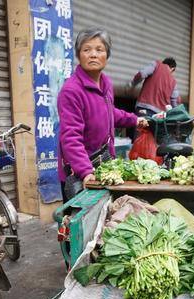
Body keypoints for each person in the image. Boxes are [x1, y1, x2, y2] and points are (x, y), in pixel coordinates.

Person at [57, 28, 147, 202]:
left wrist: (135, 120)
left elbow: (108, 112)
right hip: (80, 171)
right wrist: (85, 171)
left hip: (103, 165)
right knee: (77, 223)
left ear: (107, 55)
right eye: (86, 50)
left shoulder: (105, 83)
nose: (93, 55)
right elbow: (70, 137)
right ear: (78, 55)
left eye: (99, 50)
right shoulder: (71, 91)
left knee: (103, 220)